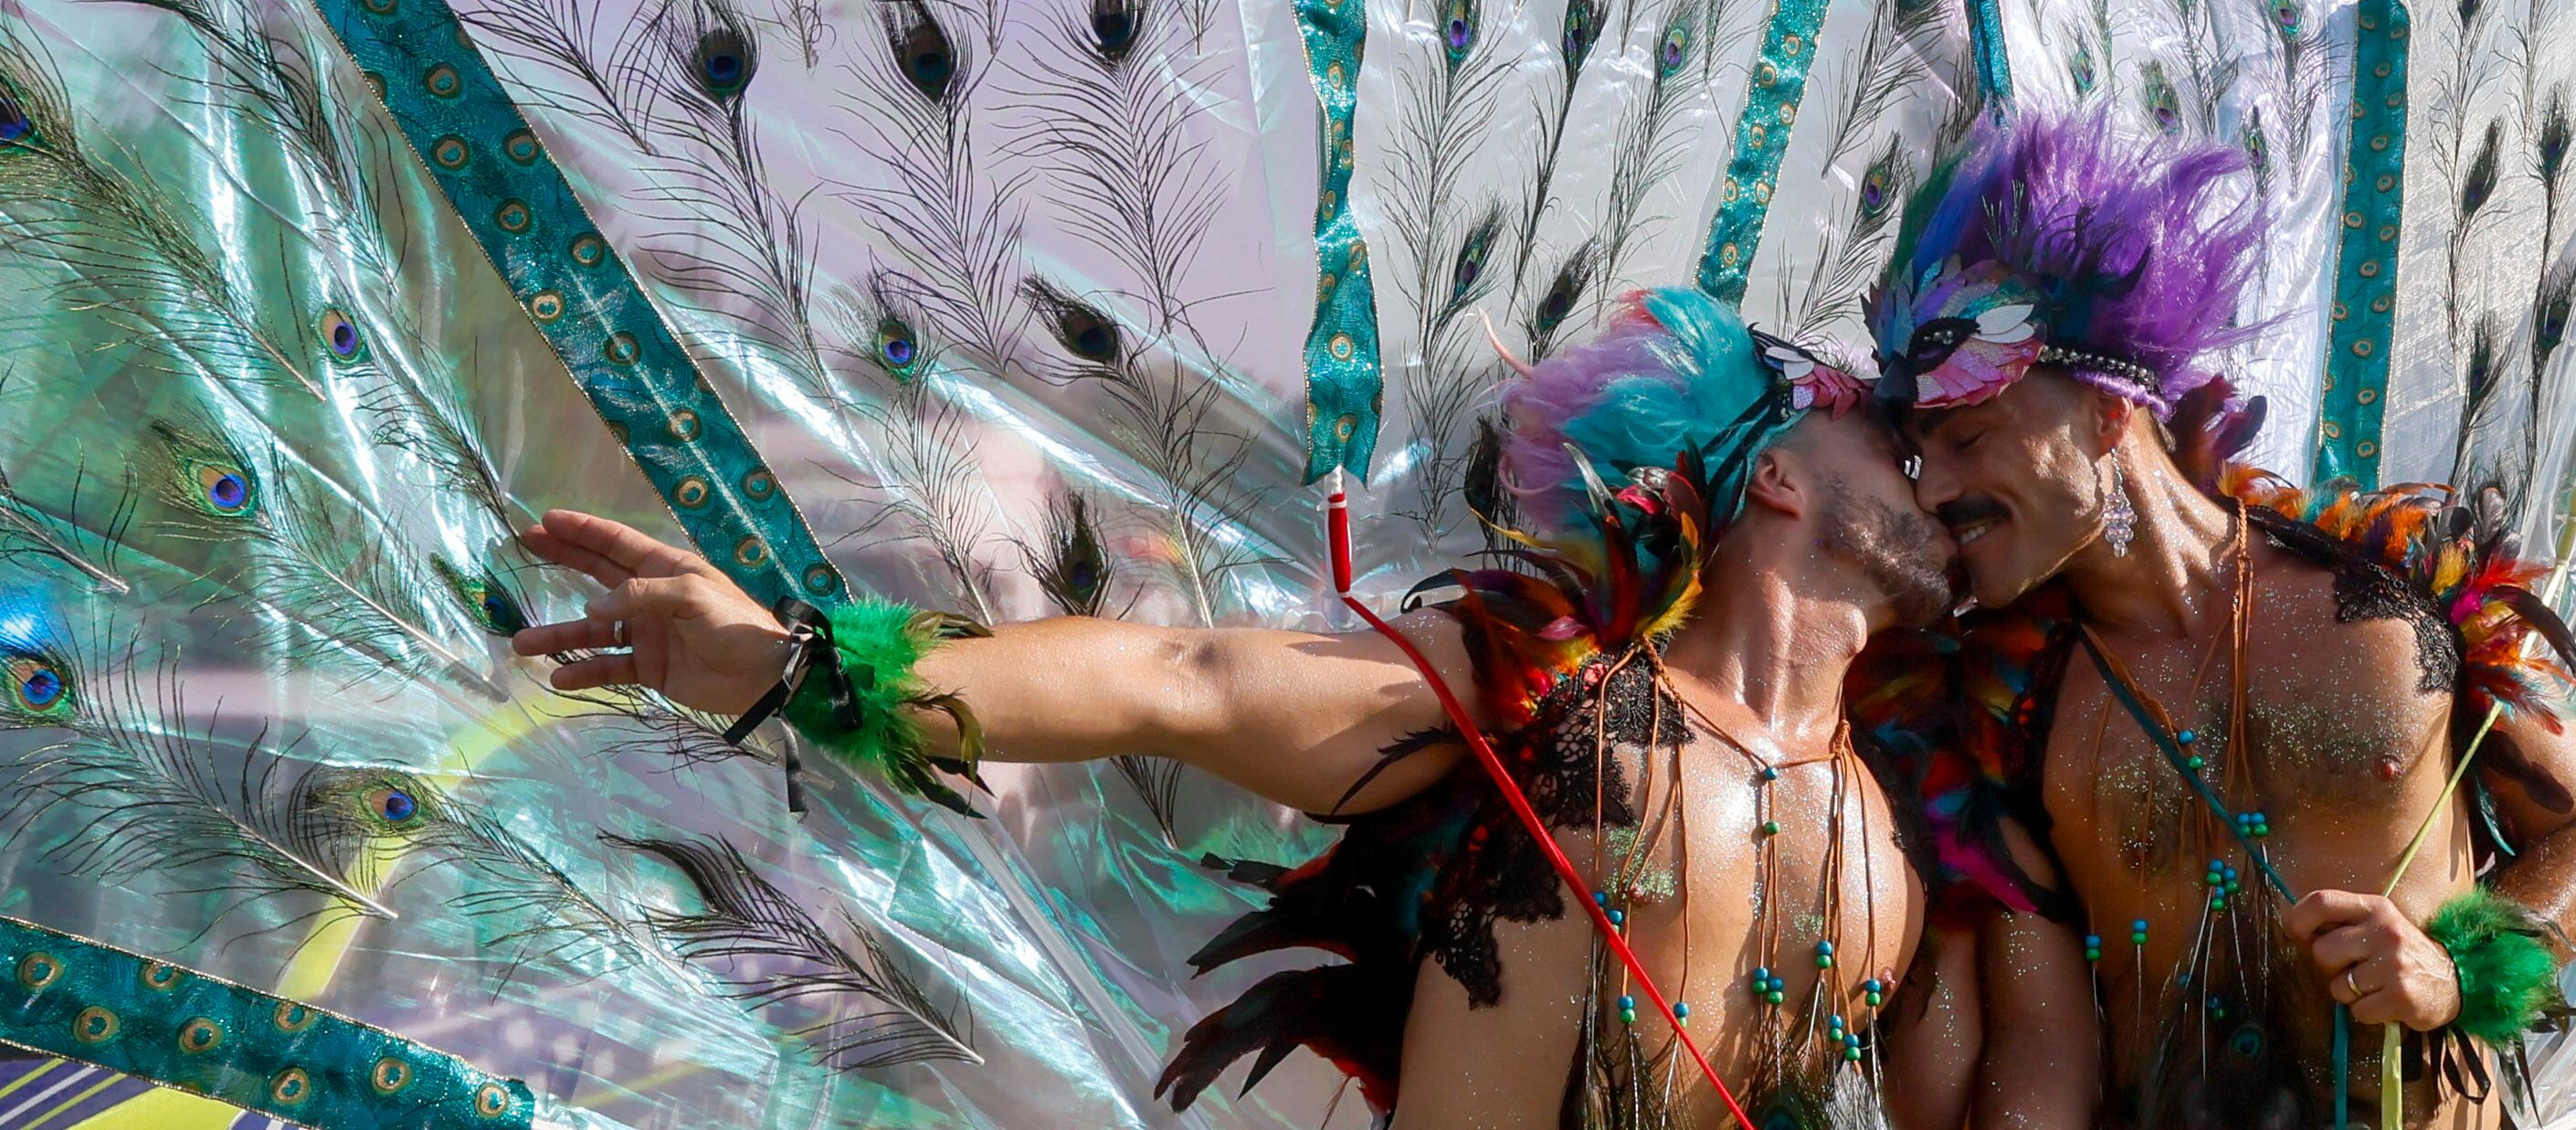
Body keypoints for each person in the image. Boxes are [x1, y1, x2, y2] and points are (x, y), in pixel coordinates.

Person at [508, 288, 1968, 1130]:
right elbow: (1181, 680)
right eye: (1888, 439)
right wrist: (803, 662)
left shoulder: (1890, 850)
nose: (1927, 473)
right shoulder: (1553, 708)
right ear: (1778, 476)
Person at [1863, 111, 2576, 1128]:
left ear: (2107, 411)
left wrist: (2459, 968)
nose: (1936, 491)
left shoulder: (2403, 588)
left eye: (1968, 436)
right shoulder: (2002, 716)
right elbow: (2040, 1043)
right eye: (1921, 457)